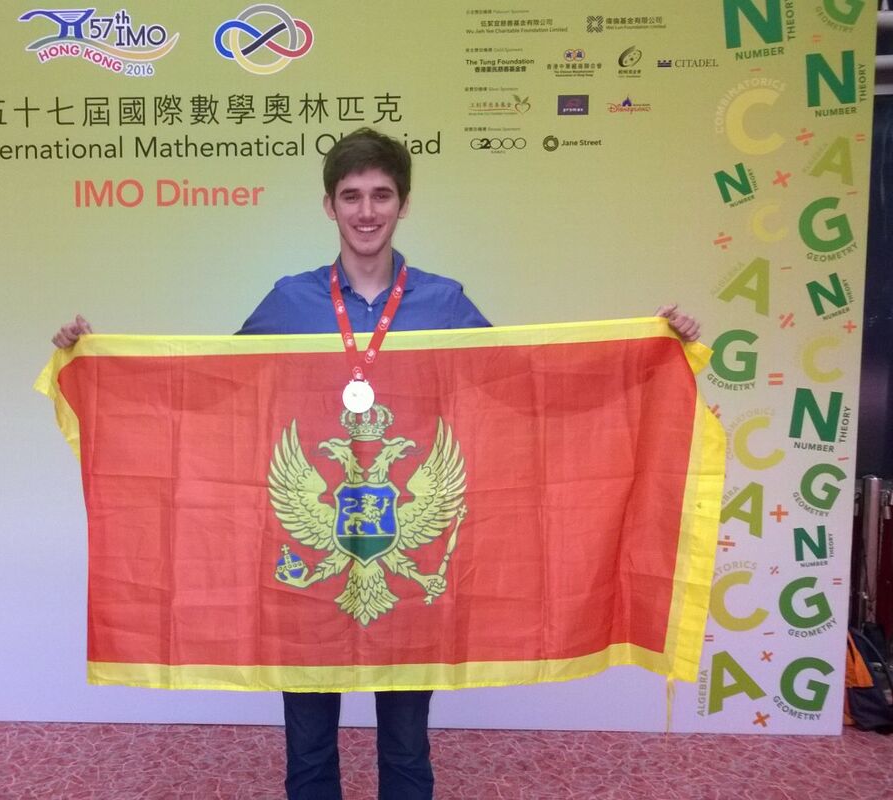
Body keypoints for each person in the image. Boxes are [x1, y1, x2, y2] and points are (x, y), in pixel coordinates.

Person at [51, 127, 701, 799]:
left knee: (407, 746)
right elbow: (218, 388)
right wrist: (99, 362)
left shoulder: (443, 302)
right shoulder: (290, 301)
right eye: (352, 195)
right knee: (308, 748)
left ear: (404, 204)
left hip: (405, 571)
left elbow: (522, 389)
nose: (367, 211)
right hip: (312, 561)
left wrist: (647, 356)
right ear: (329, 206)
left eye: (382, 195)